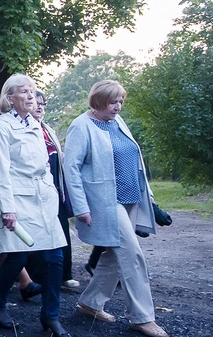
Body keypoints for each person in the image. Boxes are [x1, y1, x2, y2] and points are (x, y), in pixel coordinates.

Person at [63, 80, 168, 337]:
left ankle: (90, 303)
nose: (118, 107)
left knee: (113, 254)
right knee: (133, 255)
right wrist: (80, 207)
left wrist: (150, 197)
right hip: (106, 202)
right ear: (98, 101)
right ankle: (142, 317)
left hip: (131, 196)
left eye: (120, 101)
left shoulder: (117, 121)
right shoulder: (81, 126)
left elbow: (135, 158)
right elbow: (71, 170)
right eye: (113, 102)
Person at [0, 74, 68, 336]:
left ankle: (50, 316)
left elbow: (46, 165)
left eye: (32, 91)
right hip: (18, 199)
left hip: (43, 198)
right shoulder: (1, 126)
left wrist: (53, 195)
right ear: (10, 98)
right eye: (24, 91)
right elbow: (0, 171)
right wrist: (7, 207)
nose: (32, 95)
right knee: (18, 256)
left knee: (55, 257)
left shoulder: (38, 124)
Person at [0, 104, 42, 300]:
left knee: (7, 247)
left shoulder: (13, 138)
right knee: (5, 248)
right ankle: (25, 283)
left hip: (11, 201)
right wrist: (14, 172)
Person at [32, 91, 79, 289]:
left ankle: (64, 275)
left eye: (43, 104)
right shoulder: (22, 129)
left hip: (55, 189)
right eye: (36, 103)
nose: (40, 107)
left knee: (61, 231)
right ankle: (36, 279)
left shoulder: (48, 129)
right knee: (38, 234)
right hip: (35, 192)